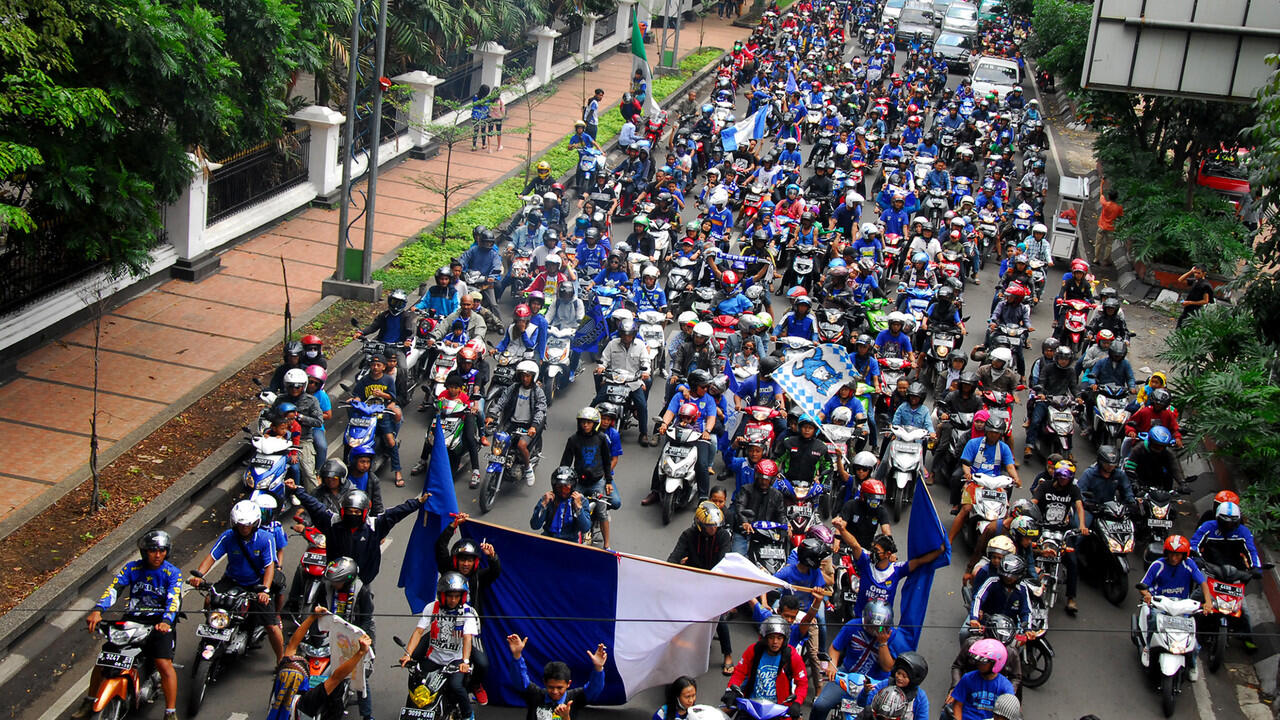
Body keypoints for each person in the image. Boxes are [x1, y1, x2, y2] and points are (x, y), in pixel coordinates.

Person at [76, 530, 181, 720]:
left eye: (162, 550)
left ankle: (170, 711)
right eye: (152, 551)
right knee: (104, 659)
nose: (157, 555)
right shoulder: (131, 569)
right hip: (132, 621)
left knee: (164, 665)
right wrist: (98, 610)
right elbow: (114, 589)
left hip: (159, 623)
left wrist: (166, 621)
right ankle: (90, 700)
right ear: (144, 552)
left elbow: (174, 600)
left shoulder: (172, 573)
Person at [189, 500, 285, 662]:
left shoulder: (266, 538)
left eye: (248, 524)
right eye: (240, 524)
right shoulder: (228, 537)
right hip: (232, 580)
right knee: (209, 599)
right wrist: (199, 575)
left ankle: (281, 660)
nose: (244, 528)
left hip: (256, 583)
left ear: (255, 523)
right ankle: (214, 628)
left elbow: (270, 567)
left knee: (271, 626)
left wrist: (264, 590)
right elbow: (212, 557)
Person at [265, 606, 371, 720]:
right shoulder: (306, 702)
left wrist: (312, 617)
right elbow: (336, 677)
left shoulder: (278, 692)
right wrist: (360, 652)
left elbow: (292, 644)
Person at [402, 573, 481, 720]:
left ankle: (468, 714)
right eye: (450, 596)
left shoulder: (467, 613)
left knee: (456, 686)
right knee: (417, 682)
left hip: (455, 661)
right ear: (442, 595)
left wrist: (464, 662)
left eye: (457, 596)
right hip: (434, 658)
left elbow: (467, 638)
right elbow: (419, 631)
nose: (453, 600)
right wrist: (408, 654)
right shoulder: (431, 608)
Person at [832, 517, 944, 617]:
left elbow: (919, 562)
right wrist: (842, 529)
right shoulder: (865, 562)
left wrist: (940, 551)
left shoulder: (897, 570)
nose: (873, 553)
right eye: (872, 549)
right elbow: (855, 545)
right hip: (860, 621)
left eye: (877, 551)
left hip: (882, 627)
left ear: (888, 554)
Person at [670, 502, 734, 673]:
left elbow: (724, 560)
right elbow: (674, 557)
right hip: (692, 580)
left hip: (714, 581)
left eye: (715, 525)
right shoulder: (688, 535)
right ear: (700, 525)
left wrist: (714, 579)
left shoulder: (723, 536)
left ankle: (727, 654)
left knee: (718, 617)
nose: (713, 529)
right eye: (709, 526)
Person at [810, 602, 898, 720]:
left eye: (879, 628)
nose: (874, 630)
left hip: (875, 684)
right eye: (871, 626)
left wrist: (883, 642)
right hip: (847, 677)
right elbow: (835, 648)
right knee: (820, 705)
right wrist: (832, 666)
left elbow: (887, 667)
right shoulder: (852, 626)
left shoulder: (894, 636)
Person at [508, 634, 608, 720]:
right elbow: (520, 681)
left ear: (568, 684)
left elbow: (594, 689)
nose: (555, 692)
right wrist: (517, 656)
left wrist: (598, 668)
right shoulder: (535, 695)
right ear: (544, 682)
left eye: (560, 688)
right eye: (551, 687)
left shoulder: (575, 698)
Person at [723, 617, 809, 716]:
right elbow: (739, 673)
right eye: (771, 637)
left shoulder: (792, 656)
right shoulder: (754, 650)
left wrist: (797, 702)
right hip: (752, 706)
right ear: (765, 638)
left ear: (785, 639)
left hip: (779, 710)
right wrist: (731, 690)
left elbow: (802, 683)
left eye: (779, 638)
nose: (775, 642)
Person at [949, 419, 1020, 536]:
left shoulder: (1004, 448)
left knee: (1004, 513)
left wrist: (1016, 478)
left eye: (996, 433)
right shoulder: (973, 443)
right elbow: (966, 463)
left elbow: (1010, 467)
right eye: (991, 432)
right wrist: (967, 473)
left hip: (995, 484)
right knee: (966, 509)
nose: (993, 435)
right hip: (975, 482)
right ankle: (949, 542)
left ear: (1000, 434)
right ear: (986, 431)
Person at [1033, 464, 1088, 615]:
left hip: (1062, 531)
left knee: (1072, 560)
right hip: (1042, 526)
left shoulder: (1073, 490)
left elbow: (1079, 507)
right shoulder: (1045, 486)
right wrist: (1026, 512)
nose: (1064, 481)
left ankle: (1071, 598)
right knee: (1030, 550)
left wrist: (1082, 525)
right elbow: (1034, 502)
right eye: (1061, 477)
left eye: (1067, 478)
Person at [560, 407, 619, 548]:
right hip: (579, 482)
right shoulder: (573, 440)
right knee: (567, 507)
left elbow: (607, 461)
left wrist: (608, 482)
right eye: (583, 422)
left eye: (588, 422)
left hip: (597, 482)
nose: (585, 425)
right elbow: (565, 463)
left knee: (601, 512)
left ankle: (607, 545)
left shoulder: (601, 439)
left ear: (594, 423)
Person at [593, 320, 655, 446]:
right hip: (613, 381)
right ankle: (589, 426)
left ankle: (643, 433)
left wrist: (646, 372)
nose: (627, 337)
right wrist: (601, 367)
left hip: (632, 382)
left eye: (629, 335)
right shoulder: (612, 344)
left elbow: (645, 362)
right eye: (624, 334)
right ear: (620, 334)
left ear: (633, 334)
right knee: (596, 402)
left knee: (642, 406)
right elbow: (604, 360)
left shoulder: (640, 345)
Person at [486, 361, 547, 481]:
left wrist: (534, 426)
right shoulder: (513, 388)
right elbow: (501, 402)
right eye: (523, 375)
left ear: (533, 377)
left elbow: (541, 409)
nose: (525, 378)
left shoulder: (538, 392)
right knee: (498, 440)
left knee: (521, 445)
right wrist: (492, 414)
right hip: (512, 422)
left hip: (529, 425)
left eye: (528, 376)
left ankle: (528, 468)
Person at [1024, 346, 1081, 460]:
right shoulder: (1048, 368)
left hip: (1063, 402)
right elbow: (1041, 382)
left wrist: (1078, 397)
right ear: (1057, 358)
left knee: (1069, 425)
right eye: (1061, 358)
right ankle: (1029, 445)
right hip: (1046, 400)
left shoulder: (1071, 371)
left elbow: (1073, 387)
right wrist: (1041, 393)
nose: (1064, 361)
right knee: (1036, 420)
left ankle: (1068, 450)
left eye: (1066, 359)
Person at [946, 640, 1016, 720]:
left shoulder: (1006, 687)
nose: (979, 664)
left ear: (995, 663)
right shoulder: (968, 678)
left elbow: (1007, 714)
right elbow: (958, 705)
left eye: (983, 662)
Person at [731, 459, 788, 554]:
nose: (764, 482)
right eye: (761, 478)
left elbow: (781, 513)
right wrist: (745, 522)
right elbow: (740, 506)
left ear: (772, 479)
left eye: (767, 479)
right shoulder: (746, 490)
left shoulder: (777, 495)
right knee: (737, 557)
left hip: (767, 534)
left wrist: (786, 526)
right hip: (746, 532)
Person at [531, 466, 592, 541]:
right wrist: (543, 505)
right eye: (559, 487)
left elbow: (585, 528)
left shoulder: (580, 500)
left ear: (572, 487)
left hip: (570, 540)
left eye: (566, 488)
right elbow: (535, 525)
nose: (563, 491)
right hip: (549, 537)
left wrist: (578, 508)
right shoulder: (548, 499)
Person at [865, 653, 930, 720]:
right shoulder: (885, 684)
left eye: (904, 676)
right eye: (898, 673)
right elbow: (866, 706)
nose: (899, 678)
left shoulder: (920, 697)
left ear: (913, 680)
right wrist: (865, 692)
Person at [1094, 182, 1123, 267]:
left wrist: (1102, 183)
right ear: (1116, 198)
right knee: (1109, 244)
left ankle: (1096, 258)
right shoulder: (1118, 208)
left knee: (1098, 243)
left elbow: (1101, 193)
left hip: (1102, 226)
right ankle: (1106, 260)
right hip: (1111, 228)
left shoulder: (1105, 204)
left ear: (1109, 197)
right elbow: (1121, 216)